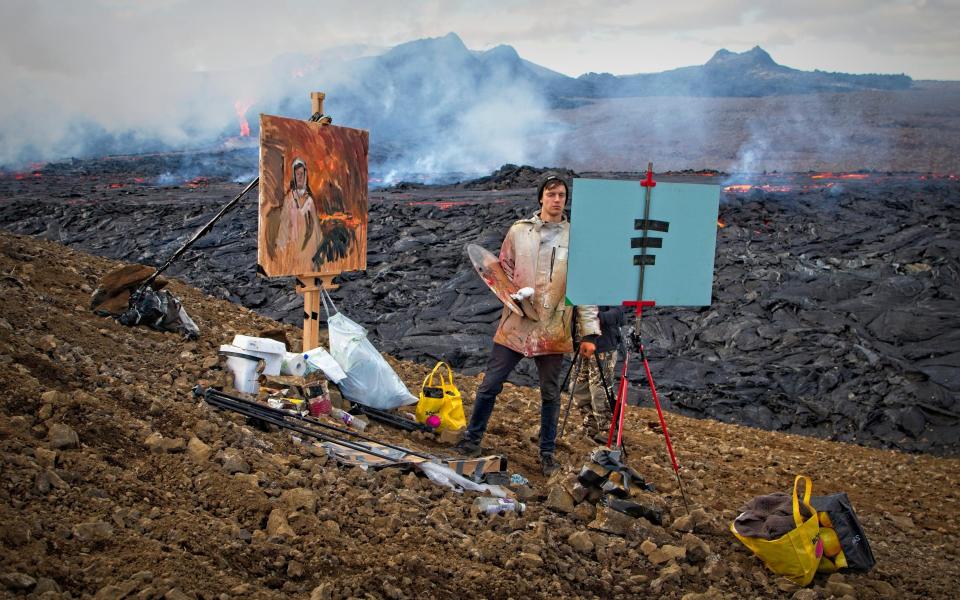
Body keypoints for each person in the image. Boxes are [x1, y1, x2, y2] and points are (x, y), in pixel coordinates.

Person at [455, 174, 600, 475]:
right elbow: (502, 270)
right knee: (490, 384)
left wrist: (588, 333)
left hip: (553, 327)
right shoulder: (519, 232)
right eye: (551, 194)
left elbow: (586, 287)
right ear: (541, 198)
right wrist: (512, 294)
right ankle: (472, 439)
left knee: (550, 394)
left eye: (561, 195)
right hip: (517, 323)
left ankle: (547, 454)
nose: (557, 199)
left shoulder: (578, 237)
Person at [572, 305, 626, 444]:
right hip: (579, 344)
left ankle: (608, 429)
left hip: (604, 346)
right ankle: (590, 425)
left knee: (599, 389)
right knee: (578, 386)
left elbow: (619, 314)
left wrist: (592, 317)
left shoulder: (608, 287)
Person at [275, 158, 320, 269]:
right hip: (292, 246)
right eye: (297, 174)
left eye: (302, 174)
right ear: (294, 176)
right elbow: (284, 225)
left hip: (307, 248)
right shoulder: (289, 199)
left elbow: (316, 227)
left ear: (305, 176)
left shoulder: (309, 200)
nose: (300, 177)